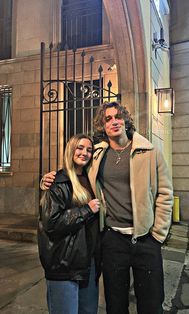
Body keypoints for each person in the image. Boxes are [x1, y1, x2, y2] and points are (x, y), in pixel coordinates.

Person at [41, 101, 173, 314]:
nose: (114, 121)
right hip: (113, 240)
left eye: (118, 116)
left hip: (146, 239)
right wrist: (50, 178)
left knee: (151, 303)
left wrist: (158, 234)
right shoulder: (97, 155)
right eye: (108, 118)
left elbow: (165, 194)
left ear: (126, 120)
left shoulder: (150, 152)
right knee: (116, 304)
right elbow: (74, 169)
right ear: (103, 126)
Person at [38, 134, 101, 314]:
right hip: (64, 263)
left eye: (89, 150)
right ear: (70, 150)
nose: (84, 153)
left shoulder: (92, 180)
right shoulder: (59, 181)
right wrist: (86, 210)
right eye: (80, 148)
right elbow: (52, 222)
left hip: (88, 262)